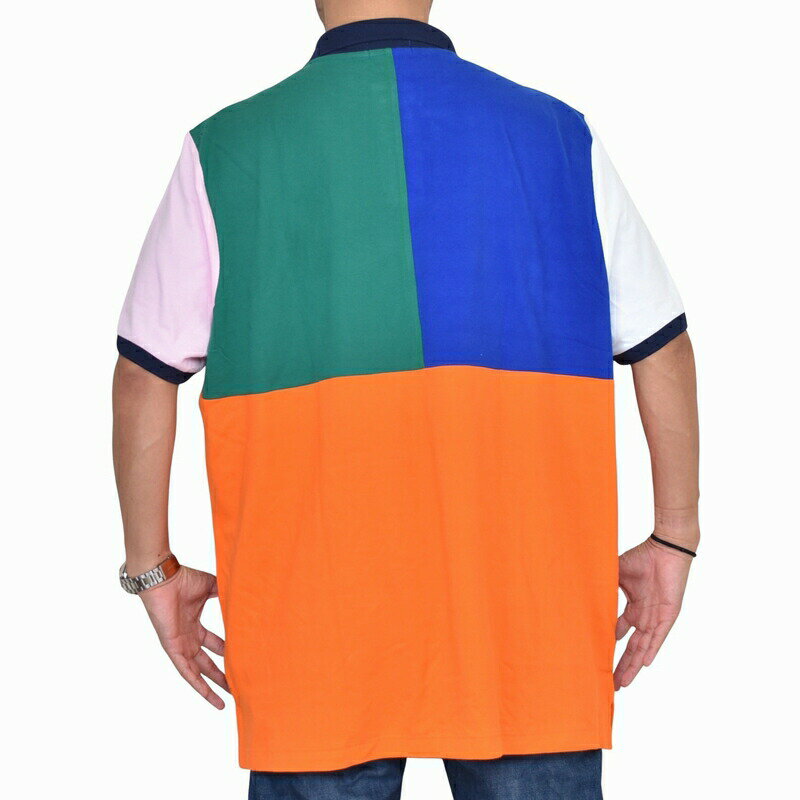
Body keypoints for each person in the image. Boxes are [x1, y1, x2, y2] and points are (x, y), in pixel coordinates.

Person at [112, 1, 700, 797]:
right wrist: (674, 536)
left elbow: (144, 374)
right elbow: (662, 344)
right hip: (527, 625)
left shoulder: (227, 149)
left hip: (313, 632)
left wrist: (151, 570)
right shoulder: (560, 138)